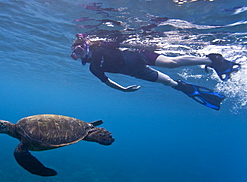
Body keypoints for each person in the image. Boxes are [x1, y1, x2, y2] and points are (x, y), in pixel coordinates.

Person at [70, 33, 241, 110]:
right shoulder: (94, 68)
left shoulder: (102, 45)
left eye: (78, 49)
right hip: (137, 72)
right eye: (75, 53)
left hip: (139, 56)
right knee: (168, 82)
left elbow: (123, 38)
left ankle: (213, 60)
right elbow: (107, 82)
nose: (79, 53)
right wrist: (124, 89)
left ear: (85, 44)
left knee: (171, 63)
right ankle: (187, 88)